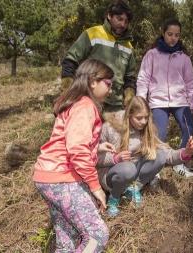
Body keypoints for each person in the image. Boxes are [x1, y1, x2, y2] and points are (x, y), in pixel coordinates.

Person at [33, 59, 114, 252]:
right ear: (93, 81)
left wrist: (97, 147)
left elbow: (68, 140)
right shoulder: (85, 105)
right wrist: (96, 187)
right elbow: (77, 150)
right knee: (97, 235)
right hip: (62, 178)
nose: (111, 90)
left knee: (67, 240)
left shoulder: (74, 103)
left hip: (47, 176)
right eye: (109, 84)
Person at [96, 96, 193, 217]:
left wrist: (184, 153)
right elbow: (96, 158)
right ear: (129, 115)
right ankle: (115, 197)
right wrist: (115, 158)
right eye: (139, 118)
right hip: (112, 173)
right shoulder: (110, 128)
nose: (143, 122)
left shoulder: (146, 128)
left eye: (146, 117)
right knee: (128, 169)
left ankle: (133, 189)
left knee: (159, 156)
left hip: (134, 171)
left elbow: (166, 152)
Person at [136, 18, 193, 178]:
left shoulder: (184, 57)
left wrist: (192, 103)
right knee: (158, 135)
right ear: (163, 33)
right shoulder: (152, 54)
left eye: (177, 35)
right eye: (170, 34)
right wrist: (141, 102)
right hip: (158, 102)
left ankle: (179, 164)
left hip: (180, 101)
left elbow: (190, 82)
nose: (173, 38)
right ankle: (154, 170)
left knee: (189, 128)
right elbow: (143, 79)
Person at [61, 0, 136, 112]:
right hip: (89, 100)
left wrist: (129, 99)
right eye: (119, 19)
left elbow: (130, 78)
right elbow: (70, 61)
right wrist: (68, 93)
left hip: (115, 106)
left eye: (126, 21)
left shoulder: (128, 46)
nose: (123, 25)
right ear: (109, 16)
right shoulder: (92, 34)